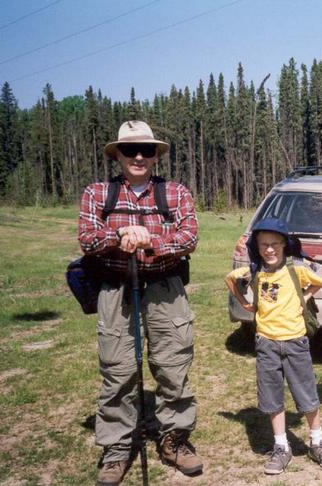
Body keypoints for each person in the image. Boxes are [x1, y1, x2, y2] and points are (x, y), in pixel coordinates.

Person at [78, 120, 202, 485]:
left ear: (155, 156)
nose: (138, 156)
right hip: (117, 289)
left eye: (146, 150)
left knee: (173, 366)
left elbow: (189, 236)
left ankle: (174, 439)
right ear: (116, 154)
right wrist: (118, 236)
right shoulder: (97, 193)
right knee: (117, 370)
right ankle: (116, 450)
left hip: (166, 287)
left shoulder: (176, 192)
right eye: (130, 150)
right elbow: (87, 237)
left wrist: (151, 240)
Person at [224, 218, 322, 475]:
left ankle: (317, 441)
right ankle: (281, 446)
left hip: (296, 342)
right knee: (271, 395)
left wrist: (304, 296)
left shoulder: (295, 268)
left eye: (275, 244)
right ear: (257, 246)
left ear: (285, 245)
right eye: (264, 244)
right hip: (266, 343)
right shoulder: (254, 271)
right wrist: (245, 304)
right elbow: (230, 279)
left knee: (307, 393)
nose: (269, 250)